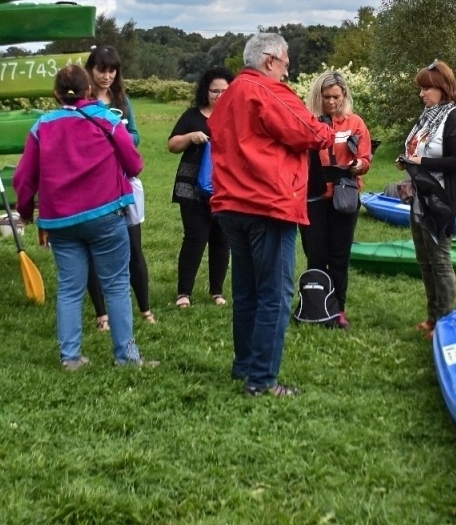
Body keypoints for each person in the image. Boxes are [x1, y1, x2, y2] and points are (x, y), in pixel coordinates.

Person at [208, 33, 333, 396]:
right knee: (274, 295)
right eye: (285, 63)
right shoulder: (268, 92)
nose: (287, 71)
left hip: (231, 203)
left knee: (246, 292)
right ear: (269, 61)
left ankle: (245, 365)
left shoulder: (229, 94)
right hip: (268, 204)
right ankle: (262, 380)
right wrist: (328, 131)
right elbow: (308, 130)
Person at [13, 64, 147, 369]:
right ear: (88, 90)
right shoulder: (108, 120)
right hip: (106, 216)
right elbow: (135, 164)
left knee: (70, 288)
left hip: (61, 221)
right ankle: (126, 356)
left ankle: (70, 357)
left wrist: (25, 212)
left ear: (56, 94)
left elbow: (23, 178)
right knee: (115, 284)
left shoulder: (41, 126)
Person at [82, 45, 154, 331]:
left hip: (123, 181)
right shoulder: (82, 101)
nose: (107, 76)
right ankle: (102, 314)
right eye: (102, 69)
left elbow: (135, 135)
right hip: (93, 184)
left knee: (134, 247)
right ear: (90, 70)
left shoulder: (122, 99)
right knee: (94, 250)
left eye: (112, 70)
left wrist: (121, 136)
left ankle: (145, 309)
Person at [398, 60, 456, 336]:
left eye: (427, 88)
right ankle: (432, 317)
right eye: (421, 88)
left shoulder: (455, 119)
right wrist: (408, 161)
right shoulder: (427, 116)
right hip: (419, 198)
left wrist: (422, 162)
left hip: (442, 200)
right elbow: (418, 150)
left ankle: (446, 323)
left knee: (440, 261)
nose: (422, 93)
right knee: (424, 260)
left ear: (442, 88)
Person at [300, 71, 373, 328]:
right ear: (318, 96)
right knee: (316, 255)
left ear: (344, 96)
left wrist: (358, 165)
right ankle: (314, 305)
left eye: (336, 97)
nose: (331, 102)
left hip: (344, 195)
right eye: (326, 96)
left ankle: (338, 309)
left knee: (340, 256)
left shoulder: (355, 123)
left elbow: (366, 158)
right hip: (314, 198)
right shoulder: (309, 122)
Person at [168, 66, 234, 309]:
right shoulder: (192, 116)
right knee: (195, 238)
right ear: (205, 91)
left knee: (221, 240)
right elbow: (172, 145)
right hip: (192, 188)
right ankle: (183, 292)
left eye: (224, 91)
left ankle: (216, 291)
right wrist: (190, 137)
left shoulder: (237, 116)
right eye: (214, 90)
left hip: (226, 187)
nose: (219, 95)